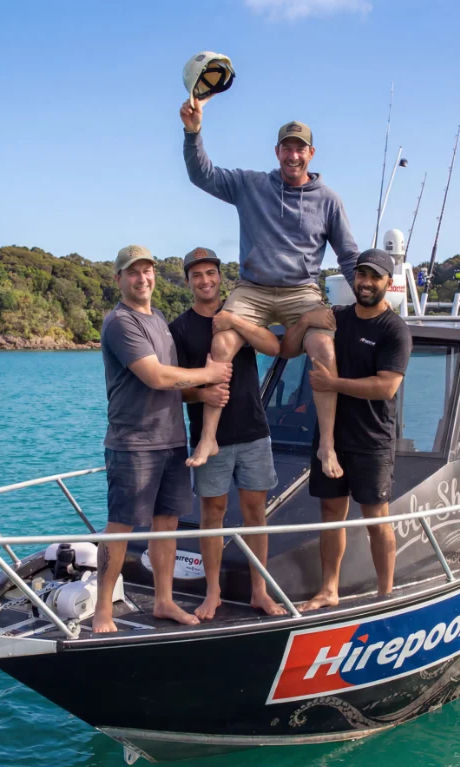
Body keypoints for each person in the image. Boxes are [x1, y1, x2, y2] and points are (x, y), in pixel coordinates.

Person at [180, 96, 360, 480]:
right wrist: (193, 131)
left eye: (300, 149)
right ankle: (209, 436)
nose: (293, 156)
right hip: (254, 288)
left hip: (301, 291)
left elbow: (348, 255)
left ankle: (326, 443)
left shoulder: (329, 201)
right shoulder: (251, 185)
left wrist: (366, 306)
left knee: (324, 348)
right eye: (286, 148)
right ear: (277, 151)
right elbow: (202, 175)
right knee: (222, 341)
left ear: (311, 153)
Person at [95, 245, 233, 633]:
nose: (142, 278)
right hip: (133, 442)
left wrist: (200, 392)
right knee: (120, 527)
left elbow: (174, 383)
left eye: (148, 271)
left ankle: (164, 601)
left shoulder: (157, 318)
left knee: (166, 526)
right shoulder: (120, 323)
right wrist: (209, 375)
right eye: (133, 272)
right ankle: (103, 609)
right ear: (119, 279)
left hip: (172, 439)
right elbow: (156, 377)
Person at [280, 248, 410, 610]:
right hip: (331, 438)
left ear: (388, 282)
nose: (366, 283)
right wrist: (306, 320)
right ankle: (329, 590)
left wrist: (334, 383)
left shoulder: (394, 330)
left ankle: (386, 594)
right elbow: (287, 350)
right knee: (330, 516)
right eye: (361, 276)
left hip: (372, 439)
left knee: (376, 519)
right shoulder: (335, 318)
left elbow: (387, 387)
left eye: (375, 277)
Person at [169, 247, 288, 620]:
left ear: (221, 277)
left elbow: (276, 346)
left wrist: (237, 324)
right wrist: (201, 392)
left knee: (256, 514)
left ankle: (259, 592)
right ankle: (213, 593)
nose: (205, 280)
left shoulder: (240, 314)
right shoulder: (180, 329)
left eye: (211, 273)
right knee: (212, 515)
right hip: (210, 441)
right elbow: (175, 386)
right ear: (187, 281)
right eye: (197, 275)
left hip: (253, 430)